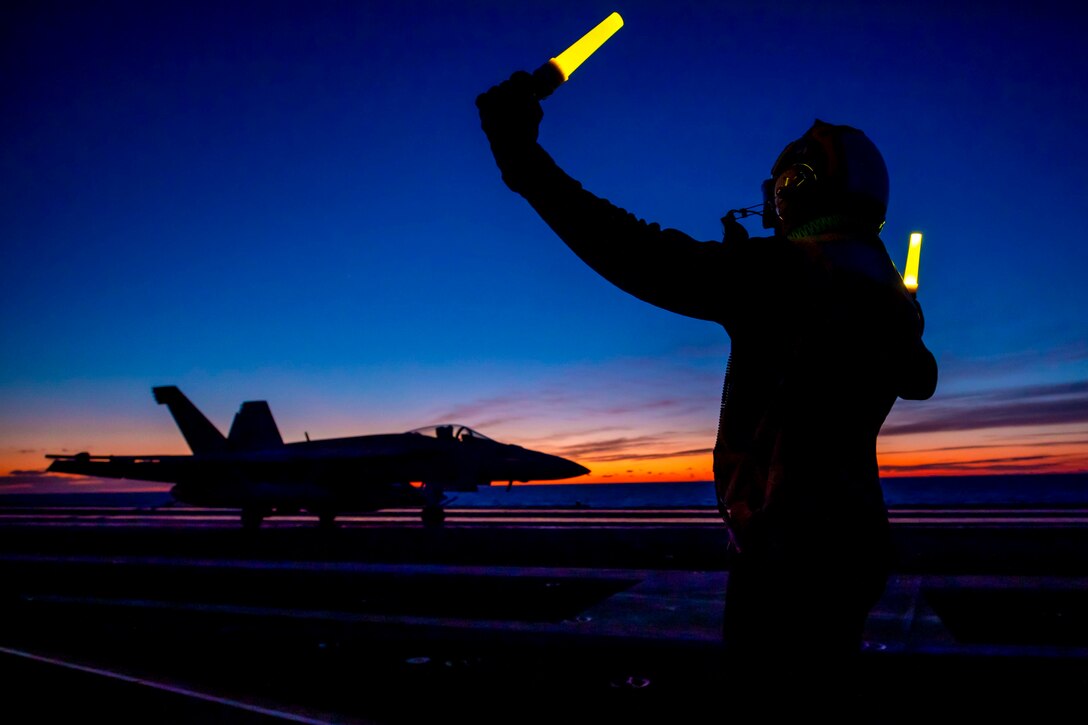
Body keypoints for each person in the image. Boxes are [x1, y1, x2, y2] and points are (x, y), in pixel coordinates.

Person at [476, 71, 937, 716]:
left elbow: (636, 252)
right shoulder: (882, 295)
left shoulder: (787, 272)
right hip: (855, 540)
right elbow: (919, 378)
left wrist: (521, 159)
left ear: (795, 187)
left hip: (786, 553)